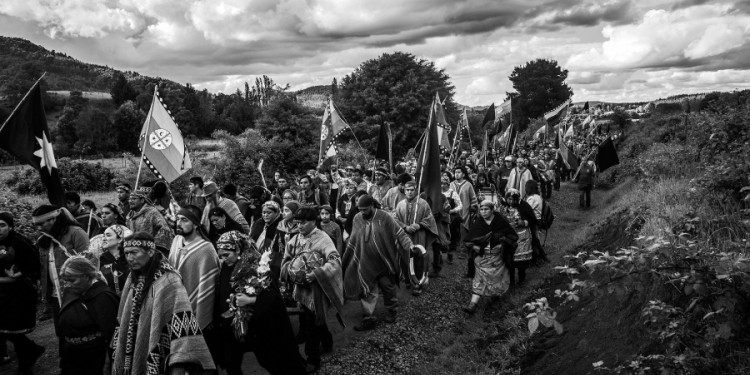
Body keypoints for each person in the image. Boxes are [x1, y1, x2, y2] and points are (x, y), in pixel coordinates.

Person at [112, 232, 215, 374]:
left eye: (134, 252)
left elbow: (182, 319)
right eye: (126, 253)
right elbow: (124, 313)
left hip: (162, 348)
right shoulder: (134, 276)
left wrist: (178, 360)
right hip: (134, 342)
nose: (129, 258)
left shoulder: (169, 280)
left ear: (150, 251)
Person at [214, 231, 306, 375]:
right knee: (231, 361)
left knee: (271, 361)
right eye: (220, 256)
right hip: (234, 326)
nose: (223, 260)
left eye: (226, 255)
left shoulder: (257, 265)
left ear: (238, 249)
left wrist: (252, 300)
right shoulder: (226, 267)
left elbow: (274, 299)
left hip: (260, 325)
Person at [280, 207, 345, 373]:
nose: (300, 226)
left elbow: (335, 261)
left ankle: (313, 359)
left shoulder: (323, 239)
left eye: (303, 223)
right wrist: (290, 269)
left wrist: (316, 274)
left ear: (313, 222)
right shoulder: (295, 239)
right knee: (315, 319)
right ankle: (328, 342)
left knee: (311, 325)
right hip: (300, 289)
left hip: (317, 290)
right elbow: (286, 258)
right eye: (297, 223)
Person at [342, 195, 414, 331]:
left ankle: (392, 311)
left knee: (388, 287)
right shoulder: (357, 218)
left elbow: (399, 233)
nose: (362, 212)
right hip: (365, 260)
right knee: (367, 289)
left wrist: (410, 246)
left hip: (384, 261)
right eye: (360, 209)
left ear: (372, 206)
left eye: (365, 209)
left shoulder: (384, 217)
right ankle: (368, 318)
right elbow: (354, 238)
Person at [32, 205, 89, 363]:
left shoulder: (76, 233)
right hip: (55, 294)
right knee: (62, 330)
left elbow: (89, 262)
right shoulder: (43, 239)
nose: (40, 227)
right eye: (37, 225)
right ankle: (66, 360)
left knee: (77, 329)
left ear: (55, 219)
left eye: (43, 223)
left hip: (75, 293)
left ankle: (81, 361)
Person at [168, 206, 220, 361]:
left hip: (195, 306)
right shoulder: (177, 240)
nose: (179, 223)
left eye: (184, 220)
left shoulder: (206, 249)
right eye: (178, 219)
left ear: (196, 224)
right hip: (175, 305)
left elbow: (209, 284)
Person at [0, 212, 45, 375]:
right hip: (3, 292)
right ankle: (32, 351)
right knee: (6, 329)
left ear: (11, 226)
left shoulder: (19, 242)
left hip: (20, 293)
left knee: (14, 330)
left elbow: (34, 263)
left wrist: (19, 274)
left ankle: (25, 366)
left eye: (2, 225)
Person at [58, 256, 118, 375]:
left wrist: (108, 364)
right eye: (65, 280)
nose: (67, 285)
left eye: (71, 280)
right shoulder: (71, 293)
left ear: (86, 276)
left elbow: (112, 336)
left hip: (94, 360)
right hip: (72, 358)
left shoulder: (103, 297)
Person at [462, 200, 517, 314]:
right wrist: (475, 247)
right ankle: (473, 305)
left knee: (497, 279)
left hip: (497, 259)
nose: (483, 212)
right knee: (479, 279)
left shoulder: (500, 222)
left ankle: (496, 299)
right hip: (482, 259)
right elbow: (468, 240)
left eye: (486, 209)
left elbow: (513, 236)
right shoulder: (478, 223)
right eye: (481, 209)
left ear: (492, 210)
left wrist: (503, 240)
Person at [394, 181, 438, 295]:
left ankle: (417, 283)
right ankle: (408, 280)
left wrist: (419, 224)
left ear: (416, 190)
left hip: (419, 234)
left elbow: (430, 218)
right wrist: (405, 227)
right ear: (404, 190)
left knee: (418, 257)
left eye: (412, 190)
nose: (409, 192)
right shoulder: (400, 204)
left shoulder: (423, 204)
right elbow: (395, 219)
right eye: (407, 190)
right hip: (404, 235)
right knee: (404, 257)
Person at [501, 189, 537, 287]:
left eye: (513, 199)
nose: (511, 202)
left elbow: (532, 219)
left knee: (521, 262)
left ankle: (521, 280)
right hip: (510, 237)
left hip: (522, 237)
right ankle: (511, 282)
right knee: (509, 260)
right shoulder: (504, 208)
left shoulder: (523, 207)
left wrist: (523, 222)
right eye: (509, 199)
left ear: (517, 199)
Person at [126, 185, 175, 252]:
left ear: (142, 200)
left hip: (149, 251)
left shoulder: (152, 212)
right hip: (134, 250)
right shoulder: (129, 216)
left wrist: (154, 247)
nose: (130, 201)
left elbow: (164, 229)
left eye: (134, 199)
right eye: (129, 199)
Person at [451, 166, 478, 273]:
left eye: (459, 172)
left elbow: (473, 198)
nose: (457, 174)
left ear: (463, 174)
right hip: (453, 211)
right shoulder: (451, 184)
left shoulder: (468, 185)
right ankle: (452, 248)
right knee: (453, 230)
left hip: (465, 211)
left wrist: (473, 207)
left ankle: (463, 250)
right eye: (455, 172)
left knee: (463, 230)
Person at [249, 201, 285, 281]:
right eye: (264, 212)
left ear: (277, 213)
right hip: (256, 257)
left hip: (272, 261)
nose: (265, 215)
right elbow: (252, 239)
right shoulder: (259, 222)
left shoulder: (281, 225)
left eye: (269, 213)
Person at [99, 225, 131, 297]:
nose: (104, 239)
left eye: (108, 235)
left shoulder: (129, 258)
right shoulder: (101, 259)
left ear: (119, 239)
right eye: (103, 236)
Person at [441, 175, 463, 265]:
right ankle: (438, 256)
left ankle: (450, 254)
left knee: (452, 236)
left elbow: (460, 205)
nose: (442, 186)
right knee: (441, 236)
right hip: (441, 218)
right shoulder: (438, 193)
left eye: (444, 184)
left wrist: (453, 210)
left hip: (451, 219)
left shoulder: (453, 193)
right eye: (441, 184)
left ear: (448, 184)